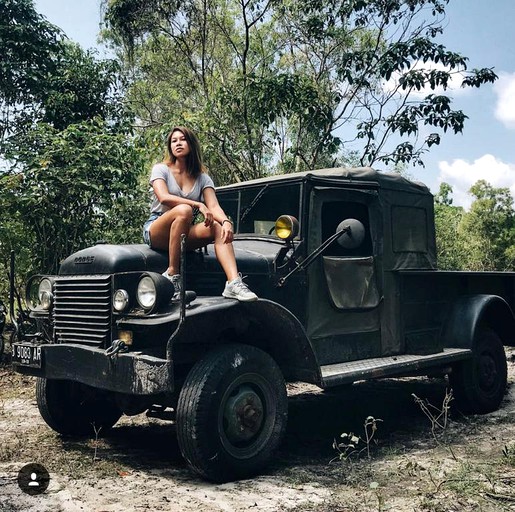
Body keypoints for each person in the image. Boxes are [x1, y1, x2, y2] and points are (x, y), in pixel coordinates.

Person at [142, 126, 257, 302]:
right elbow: (163, 197)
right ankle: (172, 275)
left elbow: (214, 206)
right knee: (184, 210)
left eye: (182, 139)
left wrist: (226, 221)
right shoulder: (161, 169)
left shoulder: (202, 177)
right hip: (157, 227)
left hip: (182, 233)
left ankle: (233, 283)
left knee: (217, 228)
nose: (178, 143)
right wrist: (197, 205)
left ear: (191, 144)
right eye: (174, 141)